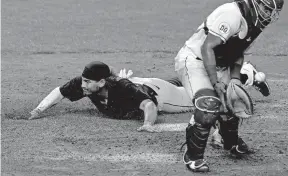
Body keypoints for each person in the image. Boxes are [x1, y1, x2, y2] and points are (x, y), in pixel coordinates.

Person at [174, 0, 284, 172]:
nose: (269, 15)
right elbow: (207, 47)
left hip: (220, 64)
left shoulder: (255, 21)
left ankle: (228, 141)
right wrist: (215, 82)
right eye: (266, 8)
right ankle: (193, 156)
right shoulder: (232, 14)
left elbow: (237, 51)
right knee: (208, 105)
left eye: (273, 12)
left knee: (233, 102)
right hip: (195, 61)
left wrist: (234, 79)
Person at [28, 61, 193, 132]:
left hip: (161, 94)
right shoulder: (86, 85)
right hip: (140, 84)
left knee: (201, 99)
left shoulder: (123, 88)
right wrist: (39, 110)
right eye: (83, 80)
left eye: (87, 81)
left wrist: (148, 124)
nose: (82, 85)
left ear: (100, 83)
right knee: (176, 82)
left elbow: (149, 105)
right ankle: (183, 78)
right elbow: (60, 92)